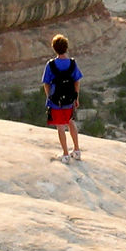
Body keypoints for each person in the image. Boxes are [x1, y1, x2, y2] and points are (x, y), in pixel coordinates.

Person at [43, 33, 83, 163]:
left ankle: (65, 154)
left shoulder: (51, 65)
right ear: (66, 47)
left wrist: (49, 97)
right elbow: (77, 81)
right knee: (71, 122)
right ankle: (76, 150)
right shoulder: (72, 63)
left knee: (60, 126)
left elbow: (46, 83)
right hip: (69, 99)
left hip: (56, 101)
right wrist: (76, 97)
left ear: (54, 48)